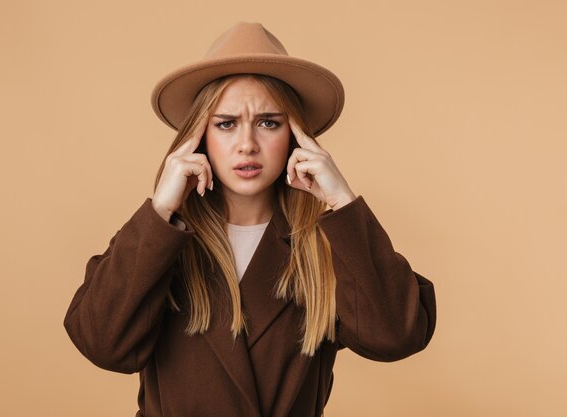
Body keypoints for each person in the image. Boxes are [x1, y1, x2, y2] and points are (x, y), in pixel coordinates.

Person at [64, 22, 437, 417]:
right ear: (200, 137)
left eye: (268, 122)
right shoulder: (162, 241)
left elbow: (397, 335)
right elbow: (102, 343)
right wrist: (160, 210)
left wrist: (342, 202)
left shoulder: (324, 247)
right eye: (226, 124)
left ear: (295, 138)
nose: (247, 144)